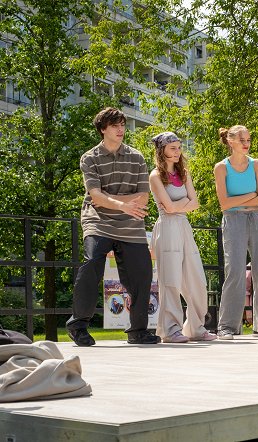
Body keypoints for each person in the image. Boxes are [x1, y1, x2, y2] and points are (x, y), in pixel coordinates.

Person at [66, 107, 161, 346]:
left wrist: (116, 202)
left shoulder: (137, 157)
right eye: (115, 126)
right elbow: (95, 197)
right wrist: (120, 203)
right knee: (92, 262)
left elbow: (143, 197)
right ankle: (78, 326)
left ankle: (138, 330)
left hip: (131, 220)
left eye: (122, 125)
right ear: (102, 129)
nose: (121, 130)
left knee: (142, 274)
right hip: (97, 220)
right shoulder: (90, 158)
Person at [149, 132, 217, 343]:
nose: (178, 151)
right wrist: (181, 205)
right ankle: (170, 330)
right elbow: (169, 208)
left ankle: (196, 327)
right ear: (162, 151)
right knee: (170, 280)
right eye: (173, 148)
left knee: (196, 277)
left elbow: (195, 203)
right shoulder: (155, 176)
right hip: (167, 229)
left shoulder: (184, 173)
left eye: (179, 147)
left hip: (184, 227)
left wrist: (174, 207)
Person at [214, 125, 258, 340]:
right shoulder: (221, 168)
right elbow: (224, 204)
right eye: (241, 139)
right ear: (230, 141)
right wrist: (250, 194)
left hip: (256, 217)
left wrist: (242, 198)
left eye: (248, 139)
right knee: (234, 270)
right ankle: (227, 326)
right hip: (232, 219)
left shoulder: (256, 164)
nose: (246, 143)